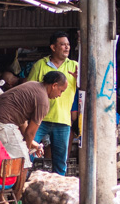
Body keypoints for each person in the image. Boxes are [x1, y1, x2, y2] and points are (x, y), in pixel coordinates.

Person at [0, 72, 68, 166]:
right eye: (61, 91)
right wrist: (26, 150)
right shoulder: (43, 101)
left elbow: (22, 121)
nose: (60, 95)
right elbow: (29, 133)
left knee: (4, 162)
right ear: (54, 86)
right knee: (24, 163)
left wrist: (32, 144)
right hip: (1, 123)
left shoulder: (33, 84)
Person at [24, 32, 80, 175]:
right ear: (53, 47)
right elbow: (29, 89)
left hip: (63, 120)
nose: (66, 47)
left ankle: (58, 192)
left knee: (61, 162)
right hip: (40, 119)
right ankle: (23, 186)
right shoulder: (40, 65)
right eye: (62, 44)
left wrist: (81, 79)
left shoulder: (75, 66)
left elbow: (88, 89)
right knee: (26, 153)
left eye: (68, 44)